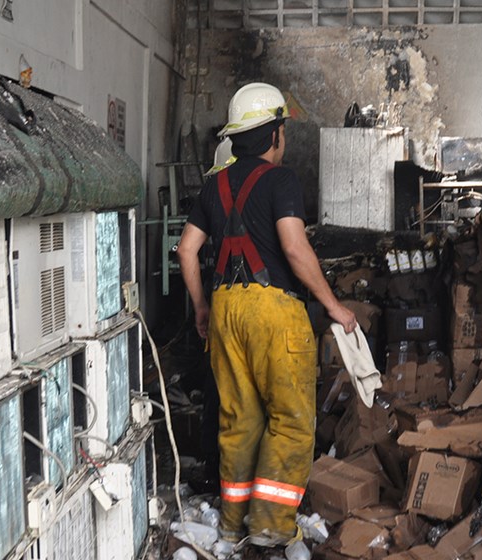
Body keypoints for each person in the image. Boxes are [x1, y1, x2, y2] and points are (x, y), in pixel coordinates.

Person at [177, 82, 357, 548]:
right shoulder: (282, 181)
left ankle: (234, 524)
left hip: (224, 309)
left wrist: (201, 307)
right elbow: (295, 250)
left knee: (239, 421)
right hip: (273, 310)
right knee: (291, 419)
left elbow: (186, 250)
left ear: (237, 138)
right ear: (275, 134)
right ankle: (272, 526)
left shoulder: (212, 185)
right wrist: (335, 307)